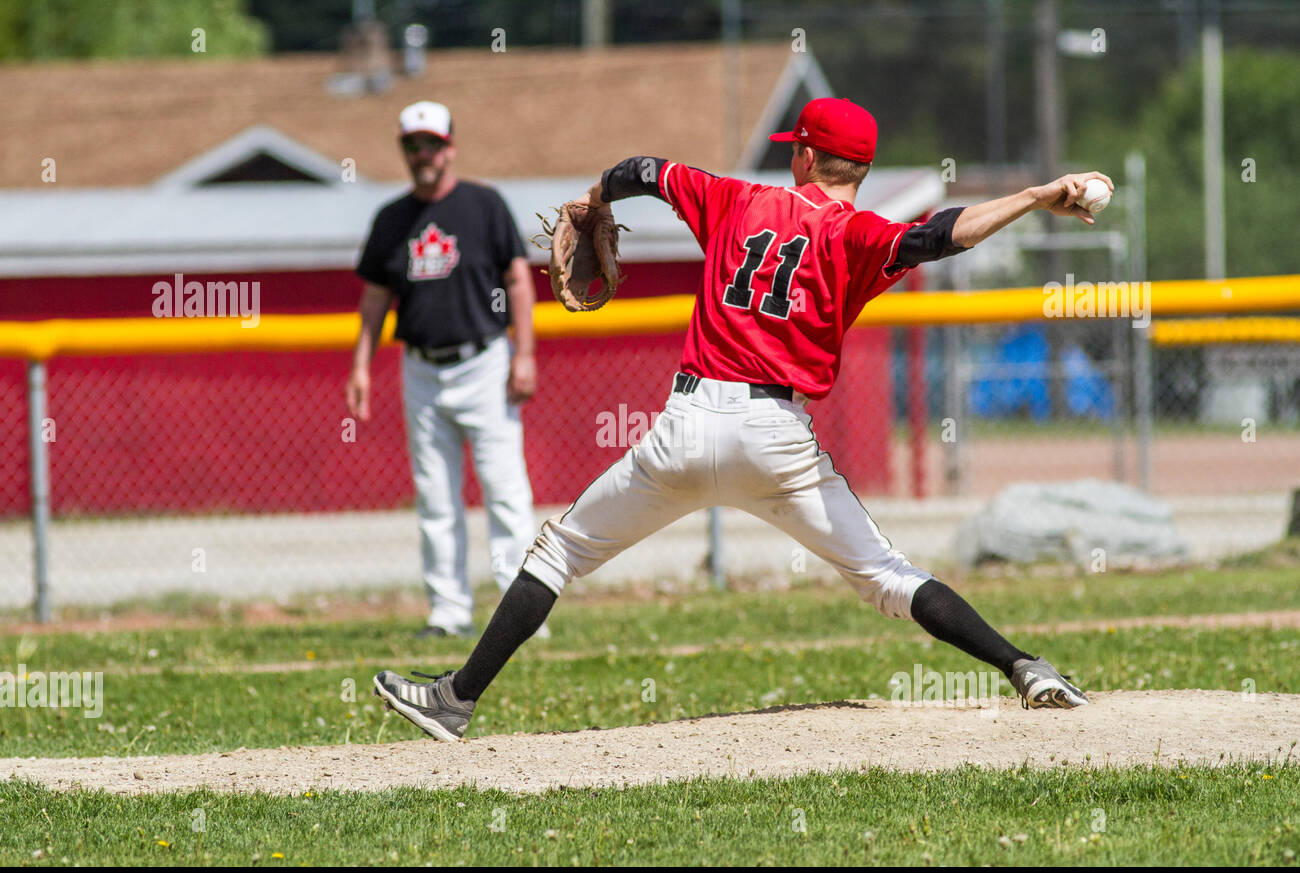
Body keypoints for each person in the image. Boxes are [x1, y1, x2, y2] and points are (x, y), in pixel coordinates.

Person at [373, 97, 1107, 739]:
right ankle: (1024, 667)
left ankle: (456, 700)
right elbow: (947, 233)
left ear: (808, 155)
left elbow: (643, 169)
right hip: (777, 441)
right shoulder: (859, 236)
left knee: (560, 554)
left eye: (799, 148)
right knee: (886, 575)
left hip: (686, 426)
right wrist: (1039, 194)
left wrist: (599, 199)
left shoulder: (733, 199)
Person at [347, 100, 546, 639]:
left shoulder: (482, 205)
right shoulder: (391, 219)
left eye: (431, 143)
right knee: (435, 497)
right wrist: (361, 366)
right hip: (422, 369)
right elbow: (374, 299)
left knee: (505, 491)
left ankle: (519, 615)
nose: (422, 154)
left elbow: (520, 280)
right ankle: (449, 611)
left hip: (485, 362)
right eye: (412, 145)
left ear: (450, 146)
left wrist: (524, 353)